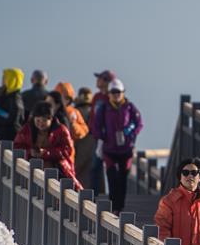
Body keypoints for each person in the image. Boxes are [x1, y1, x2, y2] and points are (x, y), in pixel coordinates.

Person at [93, 78, 143, 213]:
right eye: (113, 92)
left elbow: (139, 123)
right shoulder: (103, 108)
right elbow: (96, 126)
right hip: (109, 149)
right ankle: (113, 204)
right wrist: (102, 137)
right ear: (109, 93)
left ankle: (119, 205)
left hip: (126, 149)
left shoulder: (129, 107)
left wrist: (131, 133)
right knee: (111, 176)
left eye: (119, 92)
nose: (116, 95)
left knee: (122, 178)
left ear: (123, 93)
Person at [14, 102, 81, 190]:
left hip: (56, 169)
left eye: (44, 121)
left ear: (51, 119)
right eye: (38, 120)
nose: (41, 124)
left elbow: (67, 150)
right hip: (31, 169)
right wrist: (30, 152)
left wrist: (46, 153)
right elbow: (17, 146)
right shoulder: (27, 129)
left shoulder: (61, 130)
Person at [54, 82, 92, 183]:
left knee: (66, 180)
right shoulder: (48, 109)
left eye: (66, 98)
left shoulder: (73, 112)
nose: (63, 101)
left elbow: (83, 131)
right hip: (50, 152)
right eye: (61, 97)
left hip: (67, 153)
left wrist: (73, 123)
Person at [89, 70, 116, 195]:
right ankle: (94, 197)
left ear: (106, 82)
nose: (97, 81)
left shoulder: (112, 98)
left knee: (110, 168)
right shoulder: (96, 97)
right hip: (96, 138)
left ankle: (113, 197)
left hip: (109, 139)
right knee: (95, 167)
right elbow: (92, 116)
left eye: (99, 78)